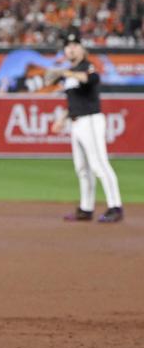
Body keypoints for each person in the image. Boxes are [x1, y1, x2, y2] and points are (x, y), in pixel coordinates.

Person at [49, 30, 123, 223]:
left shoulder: (87, 66)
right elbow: (72, 100)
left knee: (99, 164)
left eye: (75, 45)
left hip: (90, 120)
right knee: (82, 168)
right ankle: (85, 208)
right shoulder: (70, 73)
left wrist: (66, 72)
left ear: (82, 49)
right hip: (76, 122)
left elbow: (92, 79)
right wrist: (62, 119)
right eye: (68, 46)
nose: (71, 49)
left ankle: (115, 207)